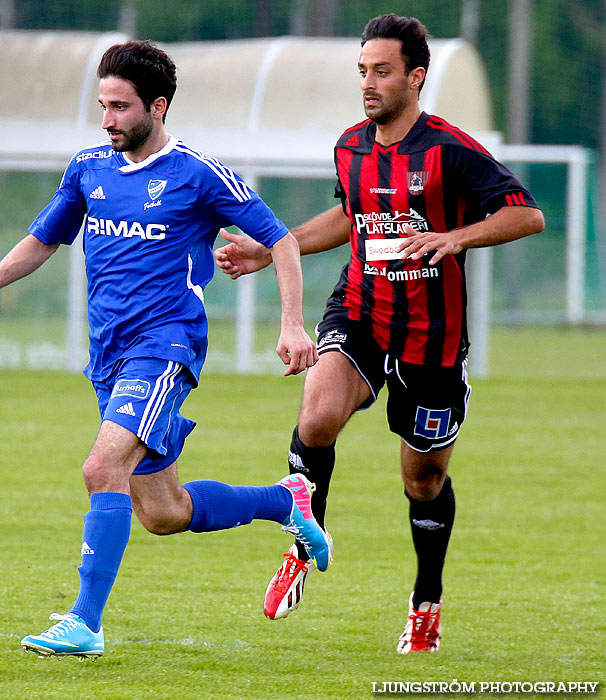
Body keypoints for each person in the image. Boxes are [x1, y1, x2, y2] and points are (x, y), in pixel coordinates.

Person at [0, 40, 330, 660]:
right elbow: (43, 237)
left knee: (101, 468)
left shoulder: (196, 172)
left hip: (165, 347)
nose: (107, 120)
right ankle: (284, 500)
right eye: (102, 106)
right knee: (162, 510)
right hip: (108, 353)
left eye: (120, 108)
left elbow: (283, 241)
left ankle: (84, 622)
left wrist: (293, 323)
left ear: (157, 107)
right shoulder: (87, 169)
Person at [215, 14, 544, 653]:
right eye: (362, 70)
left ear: (415, 77)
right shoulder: (350, 146)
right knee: (316, 418)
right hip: (361, 311)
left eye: (382, 71)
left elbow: (525, 213)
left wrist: (455, 237)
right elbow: (350, 215)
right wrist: (269, 249)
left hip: (432, 336)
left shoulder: (449, 148)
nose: (368, 83)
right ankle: (305, 544)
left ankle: (426, 600)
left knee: (422, 480)